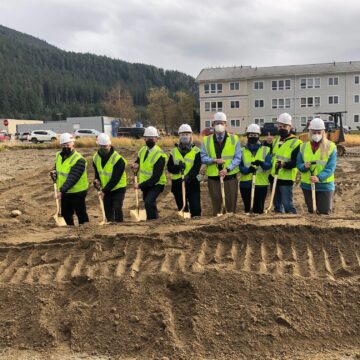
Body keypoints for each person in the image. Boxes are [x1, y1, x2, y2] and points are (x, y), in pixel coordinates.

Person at [200, 111, 242, 215]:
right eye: (217, 123)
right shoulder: (207, 140)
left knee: (230, 205)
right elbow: (203, 157)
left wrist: (227, 169)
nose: (219, 125)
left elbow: (237, 158)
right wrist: (213, 160)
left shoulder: (234, 139)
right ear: (213, 125)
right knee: (216, 205)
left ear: (226, 125)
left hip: (230, 177)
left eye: (222, 123)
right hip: (213, 177)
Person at [297, 118, 337, 214]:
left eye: (319, 132)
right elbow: (299, 164)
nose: (316, 135)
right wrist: (304, 166)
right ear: (310, 132)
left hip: (324, 186)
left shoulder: (331, 146)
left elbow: (331, 167)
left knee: (324, 213)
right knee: (312, 212)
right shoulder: (303, 147)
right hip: (307, 185)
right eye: (314, 132)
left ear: (323, 132)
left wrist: (319, 177)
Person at [266, 113, 302, 213]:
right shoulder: (276, 140)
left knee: (287, 204)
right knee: (277, 204)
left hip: (286, 179)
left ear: (290, 127)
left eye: (284, 126)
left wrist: (284, 165)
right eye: (280, 126)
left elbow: (296, 162)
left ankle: (292, 221)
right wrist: (267, 144)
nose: (282, 128)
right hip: (274, 177)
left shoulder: (296, 142)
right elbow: (271, 155)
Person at [51, 132, 89, 225]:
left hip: (78, 191)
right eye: (63, 145)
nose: (66, 147)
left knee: (80, 212)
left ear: (73, 144)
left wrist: (61, 191)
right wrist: (54, 171)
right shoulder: (58, 155)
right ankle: (69, 230)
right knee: (66, 213)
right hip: (65, 191)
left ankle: (85, 229)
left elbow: (73, 178)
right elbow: (58, 167)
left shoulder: (79, 159)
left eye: (68, 144)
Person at [132, 126, 167, 220]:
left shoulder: (160, 155)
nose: (150, 140)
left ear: (156, 139)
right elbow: (139, 160)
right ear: (144, 139)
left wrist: (139, 185)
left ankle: (151, 221)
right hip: (146, 183)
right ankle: (155, 218)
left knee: (148, 201)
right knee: (149, 202)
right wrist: (136, 164)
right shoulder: (143, 150)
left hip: (157, 184)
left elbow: (156, 177)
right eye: (148, 138)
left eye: (152, 138)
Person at [167, 124, 201, 217]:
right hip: (178, 184)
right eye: (182, 134)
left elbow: (196, 167)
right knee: (183, 208)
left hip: (192, 183)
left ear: (191, 136)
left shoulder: (197, 151)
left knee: (195, 209)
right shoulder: (173, 151)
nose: (185, 136)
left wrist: (189, 176)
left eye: (187, 134)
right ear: (179, 136)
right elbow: (169, 167)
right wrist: (178, 168)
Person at [93, 133, 127, 222]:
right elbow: (97, 173)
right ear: (98, 145)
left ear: (110, 144)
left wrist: (104, 190)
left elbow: (115, 178)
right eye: (101, 146)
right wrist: (96, 181)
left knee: (117, 207)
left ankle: (119, 224)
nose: (104, 148)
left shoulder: (118, 159)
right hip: (106, 188)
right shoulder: (96, 158)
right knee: (107, 207)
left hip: (118, 187)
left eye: (105, 146)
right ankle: (110, 224)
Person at [239, 124, 272, 213]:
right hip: (246, 184)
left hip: (261, 184)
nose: (253, 137)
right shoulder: (242, 150)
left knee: (259, 209)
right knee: (247, 208)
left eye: (255, 135)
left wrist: (261, 163)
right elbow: (240, 167)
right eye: (251, 135)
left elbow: (269, 165)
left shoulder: (265, 149)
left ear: (258, 136)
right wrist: (248, 170)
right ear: (247, 135)